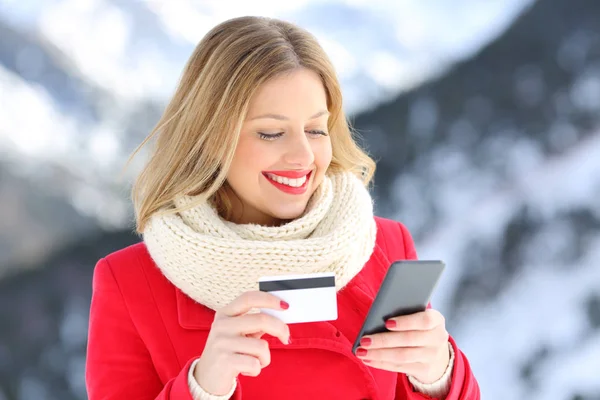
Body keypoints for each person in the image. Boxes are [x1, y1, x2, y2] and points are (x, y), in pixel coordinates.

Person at [85, 16, 480, 400]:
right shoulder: (130, 283)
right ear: (208, 138)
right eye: (271, 133)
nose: (303, 156)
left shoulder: (383, 245)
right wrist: (202, 388)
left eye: (316, 129)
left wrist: (438, 376)